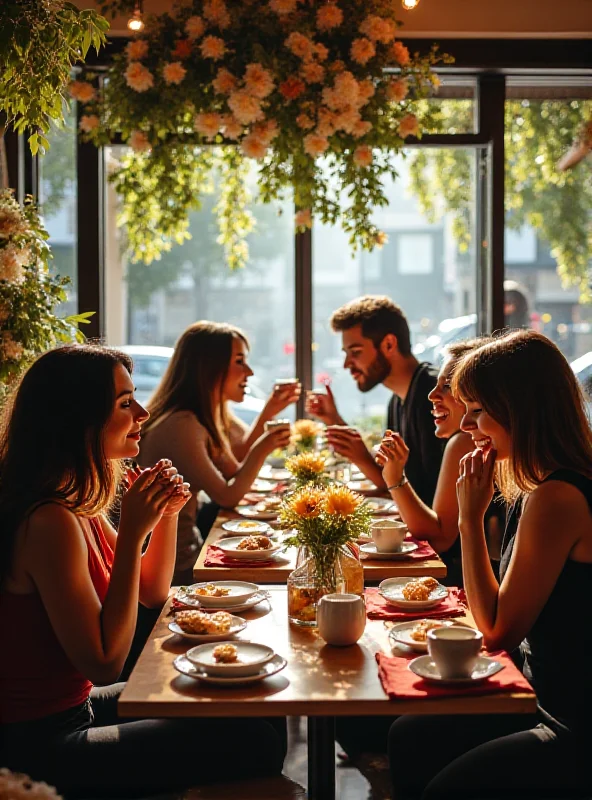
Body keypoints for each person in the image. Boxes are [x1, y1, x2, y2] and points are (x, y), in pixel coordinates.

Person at [0, 344, 285, 798]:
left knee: (258, 706)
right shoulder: (48, 519)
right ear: (80, 418)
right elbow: (105, 663)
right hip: (41, 745)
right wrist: (132, 535)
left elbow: (153, 592)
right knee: (256, 738)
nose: (143, 410)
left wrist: (166, 516)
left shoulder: (74, 502)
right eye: (124, 402)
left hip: (75, 713)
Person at [388, 330, 592, 799]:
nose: (467, 427)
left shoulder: (558, 496)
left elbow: (498, 630)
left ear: (520, 409)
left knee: (445, 786)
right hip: (528, 689)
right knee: (409, 735)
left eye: (477, 412)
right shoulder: (535, 484)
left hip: (567, 718)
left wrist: (469, 517)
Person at [139, 321, 296, 584]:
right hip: (175, 569)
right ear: (209, 367)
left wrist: (268, 415)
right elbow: (227, 496)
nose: (249, 371)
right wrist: (265, 446)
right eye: (239, 361)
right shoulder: (181, 424)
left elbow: (234, 467)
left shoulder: (202, 415)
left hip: (190, 550)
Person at [375, 338, 495, 588]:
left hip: (458, 585)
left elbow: (438, 538)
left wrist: (395, 478)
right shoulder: (464, 441)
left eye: (447, 386)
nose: (431, 395)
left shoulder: (464, 443)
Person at [306, 295, 445, 504]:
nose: (346, 364)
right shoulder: (397, 401)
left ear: (389, 344)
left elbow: (428, 498)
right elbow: (393, 482)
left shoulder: (436, 397)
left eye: (355, 352)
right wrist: (334, 420)